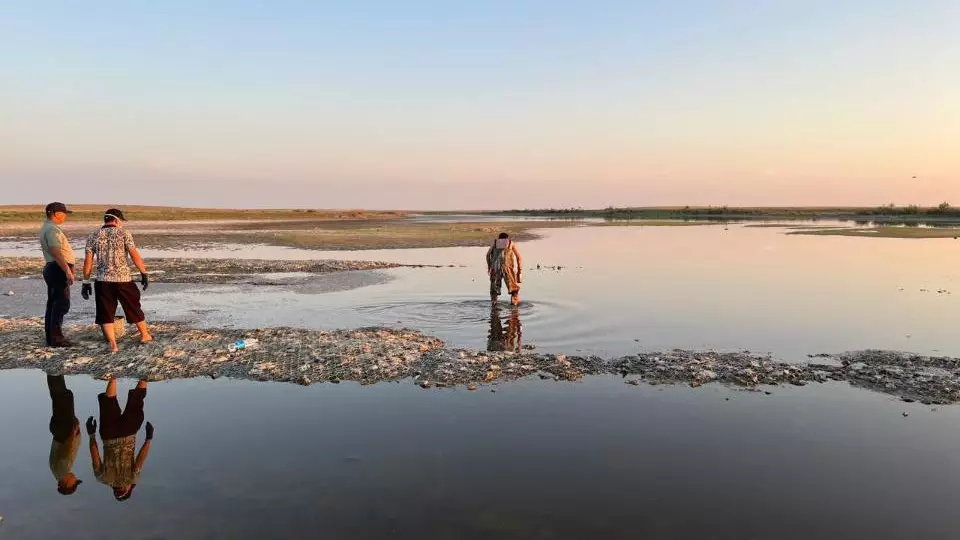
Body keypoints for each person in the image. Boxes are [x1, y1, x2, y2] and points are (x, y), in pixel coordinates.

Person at [81, 208, 152, 352]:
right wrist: (143, 273)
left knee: (105, 312)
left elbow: (88, 261)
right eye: (121, 221)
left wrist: (85, 281)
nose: (122, 224)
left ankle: (113, 344)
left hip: (102, 280)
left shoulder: (93, 235)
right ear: (116, 220)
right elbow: (134, 255)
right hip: (123, 279)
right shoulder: (124, 233)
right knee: (133, 306)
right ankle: (145, 335)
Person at [87, 378, 153, 502]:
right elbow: (94, 453)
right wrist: (91, 434)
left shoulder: (132, 479)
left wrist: (148, 438)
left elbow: (141, 459)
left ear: (127, 490)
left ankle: (145, 376)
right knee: (109, 401)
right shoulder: (102, 478)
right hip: (108, 435)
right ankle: (113, 376)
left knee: (136, 401)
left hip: (128, 433)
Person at [39, 202, 76, 347]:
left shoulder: (48, 227)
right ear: (56, 213)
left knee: (54, 302)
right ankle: (56, 338)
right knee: (60, 303)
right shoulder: (52, 230)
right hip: (57, 268)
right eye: (64, 213)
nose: (65, 216)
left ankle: (52, 337)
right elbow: (56, 251)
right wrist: (67, 270)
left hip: (54, 267)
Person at [47, 373, 83, 495]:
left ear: (67, 484)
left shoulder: (62, 471)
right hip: (60, 430)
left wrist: (73, 434)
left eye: (74, 482)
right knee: (59, 398)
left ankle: (54, 373)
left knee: (63, 397)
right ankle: (54, 373)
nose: (75, 478)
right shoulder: (57, 472)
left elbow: (66, 451)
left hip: (64, 431)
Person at [486, 232, 523, 306]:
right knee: (514, 290)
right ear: (507, 238)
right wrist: (520, 271)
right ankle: (514, 307)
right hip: (508, 268)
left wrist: (489, 267)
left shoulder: (495, 242)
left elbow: (488, 255)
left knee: (494, 291)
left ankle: (494, 306)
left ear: (499, 238)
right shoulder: (510, 243)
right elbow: (519, 257)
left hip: (495, 269)